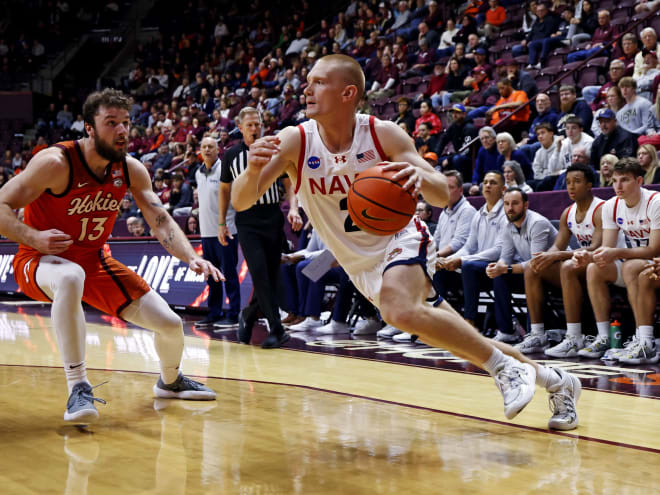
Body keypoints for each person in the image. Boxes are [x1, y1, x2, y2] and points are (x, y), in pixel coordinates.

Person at [232, 55, 581, 429]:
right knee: (458, 338)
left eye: (318, 82)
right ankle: (558, 382)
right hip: (358, 262)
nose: (306, 88)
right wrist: (252, 170)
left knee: (397, 311)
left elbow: (440, 195)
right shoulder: (294, 141)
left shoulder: (383, 134)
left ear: (348, 93)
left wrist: (417, 175)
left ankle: (504, 370)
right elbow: (240, 201)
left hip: (400, 238)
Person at [0, 89, 220, 423]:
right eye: (111, 123)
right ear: (89, 127)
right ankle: (78, 387)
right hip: (37, 261)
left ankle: (171, 381)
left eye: (126, 123)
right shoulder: (55, 163)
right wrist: (33, 237)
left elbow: (159, 220)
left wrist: (191, 257)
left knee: (171, 325)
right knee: (70, 275)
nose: (121, 131)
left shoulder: (130, 169)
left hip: (94, 262)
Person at [220, 106, 303, 349]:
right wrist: (221, 222)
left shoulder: (274, 150)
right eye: (250, 125)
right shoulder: (231, 155)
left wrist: (294, 208)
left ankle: (247, 314)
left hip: (272, 216)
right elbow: (224, 190)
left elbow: (290, 183)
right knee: (259, 272)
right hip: (246, 220)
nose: (255, 128)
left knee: (270, 274)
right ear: (241, 128)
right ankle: (277, 329)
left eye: (258, 124)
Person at [573, 158, 660, 360]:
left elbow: (654, 249)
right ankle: (604, 338)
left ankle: (645, 340)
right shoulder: (611, 206)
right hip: (637, 263)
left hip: (654, 261)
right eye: (614, 180)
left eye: (625, 180)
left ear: (639, 181)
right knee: (594, 268)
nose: (618, 186)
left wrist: (616, 253)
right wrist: (589, 255)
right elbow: (607, 248)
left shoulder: (655, 202)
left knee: (630, 267)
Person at [518, 164, 605, 356]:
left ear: (590, 185)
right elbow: (557, 246)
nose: (571, 187)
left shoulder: (600, 208)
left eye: (577, 182)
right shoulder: (568, 212)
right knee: (533, 268)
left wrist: (557, 255)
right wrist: (545, 257)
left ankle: (574, 337)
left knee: (567, 265)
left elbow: (596, 248)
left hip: (603, 264)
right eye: (567, 182)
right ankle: (537, 334)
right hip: (580, 265)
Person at [485, 188, 557, 342]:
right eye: (506, 204)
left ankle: (535, 334)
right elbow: (506, 256)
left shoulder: (537, 223)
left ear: (526, 205)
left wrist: (507, 268)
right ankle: (506, 331)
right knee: (500, 277)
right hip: (531, 271)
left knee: (530, 274)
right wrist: (498, 267)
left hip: (555, 273)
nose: (510, 208)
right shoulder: (507, 224)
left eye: (515, 203)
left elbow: (536, 262)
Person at [194, 136, 240, 329]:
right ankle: (214, 312)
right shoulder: (198, 172)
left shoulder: (225, 169)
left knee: (228, 273)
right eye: (204, 147)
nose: (207, 150)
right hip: (206, 233)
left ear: (218, 149)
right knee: (211, 275)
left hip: (226, 231)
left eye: (211, 146)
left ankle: (234, 314)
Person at [432, 170, 476, 298]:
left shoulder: (467, 211)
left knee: (435, 270)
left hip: (458, 267)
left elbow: (459, 243)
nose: (446, 191)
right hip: (442, 263)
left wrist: (435, 256)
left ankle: (439, 313)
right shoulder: (443, 212)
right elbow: (436, 241)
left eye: (450, 187)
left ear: (461, 190)